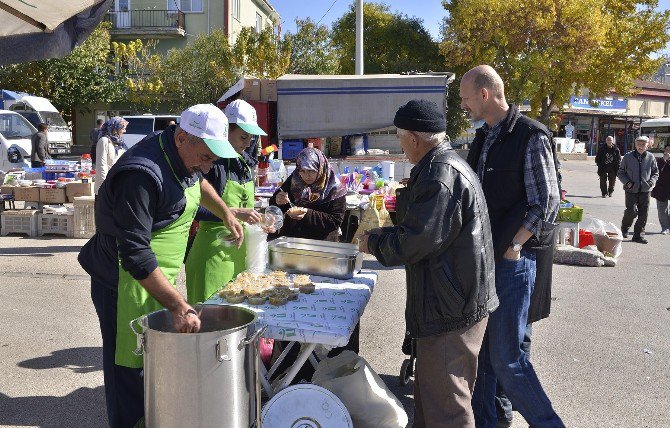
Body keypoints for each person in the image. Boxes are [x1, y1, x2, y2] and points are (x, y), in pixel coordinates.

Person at [78, 104, 244, 428]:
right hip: (123, 283)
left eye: (212, 160)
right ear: (182, 137)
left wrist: (225, 211)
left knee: (154, 368)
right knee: (128, 371)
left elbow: (199, 186)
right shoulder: (141, 174)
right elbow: (136, 253)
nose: (207, 168)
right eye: (206, 158)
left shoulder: (183, 153)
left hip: (155, 280)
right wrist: (179, 305)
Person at [359, 99, 498, 427]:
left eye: (399, 137)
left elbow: (416, 240)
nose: (400, 145)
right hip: (451, 303)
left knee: (447, 408)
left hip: (450, 311)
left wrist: (372, 241)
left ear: (414, 139)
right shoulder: (442, 165)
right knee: (432, 400)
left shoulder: (440, 174)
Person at [461, 65, 564, 428]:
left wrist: (515, 246)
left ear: (485, 94)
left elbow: (547, 201)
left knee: (507, 358)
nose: (463, 105)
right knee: (486, 356)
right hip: (486, 259)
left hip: (512, 262)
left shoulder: (530, 135)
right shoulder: (483, 137)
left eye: (466, 97)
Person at [185, 100, 267, 305]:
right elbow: (192, 208)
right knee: (208, 326)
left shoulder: (244, 164)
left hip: (238, 256)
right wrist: (231, 213)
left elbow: (244, 206)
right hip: (212, 256)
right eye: (243, 136)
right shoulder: (210, 163)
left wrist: (259, 219)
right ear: (225, 130)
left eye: (251, 137)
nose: (248, 142)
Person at [269, 147, 346, 242]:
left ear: (321, 168)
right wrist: (278, 200)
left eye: (311, 171)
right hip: (293, 241)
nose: (306, 176)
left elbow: (335, 221)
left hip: (321, 244)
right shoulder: (295, 180)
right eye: (302, 171)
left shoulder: (334, 189)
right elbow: (275, 205)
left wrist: (307, 214)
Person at [617, 135, 659, 243]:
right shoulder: (627, 157)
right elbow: (620, 172)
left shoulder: (651, 157)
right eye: (639, 144)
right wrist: (627, 182)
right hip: (631, 190)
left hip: (645, 190)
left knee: (643, 213)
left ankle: (638, 236)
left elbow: (655, 172)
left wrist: (651, 182)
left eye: (643, 144)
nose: (640, 146)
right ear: (635, 145)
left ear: (647, 146)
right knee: (631, 211)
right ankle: (625, 227)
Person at [94, 117, 129, 195]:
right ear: (116, 128)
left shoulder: (120, 144)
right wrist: (106, 186)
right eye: (123, 129)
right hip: (105, 189)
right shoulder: (104, 141)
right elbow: (101, 166)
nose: (125, 131)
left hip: (117, 186)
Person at [651, 144, 670, 235]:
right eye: (667, 150)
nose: (668, 152)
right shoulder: (660, 161)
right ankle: (665, 227)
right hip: (661, 188)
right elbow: (655, 171)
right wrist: (664, 160)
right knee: (662, 209)